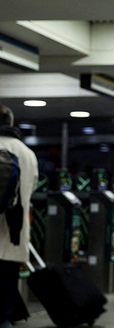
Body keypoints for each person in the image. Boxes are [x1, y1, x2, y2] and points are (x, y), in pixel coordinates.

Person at [0, 105, 38, 328]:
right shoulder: (27, 153)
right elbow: (31, 188)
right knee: (8, 274)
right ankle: (6, 317)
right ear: (11, 123)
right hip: (16, 223)